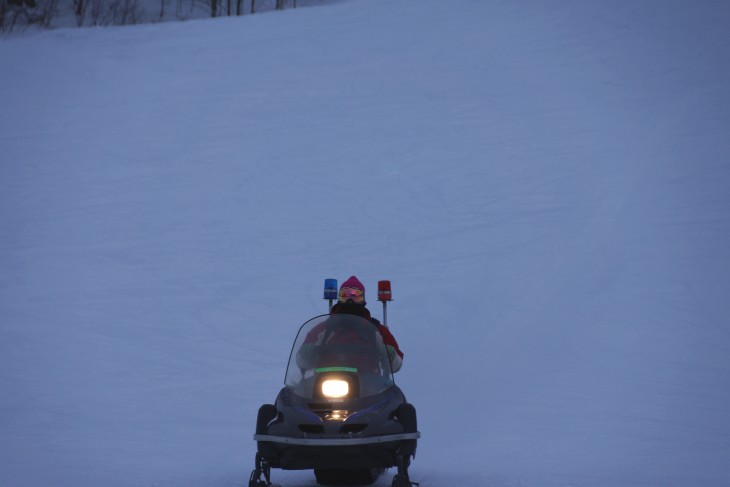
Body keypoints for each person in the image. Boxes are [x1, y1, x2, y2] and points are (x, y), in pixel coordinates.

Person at [299, 276, 404, 373]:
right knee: (291, 391)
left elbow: (395, 366)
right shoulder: (324, 329)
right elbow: (302, 363)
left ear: (363, 299)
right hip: (325, 380)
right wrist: (305, 353)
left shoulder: (375, 330)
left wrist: (390, 355)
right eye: (344, 295)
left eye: (355, 296)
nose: (349, 300)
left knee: (392, 392)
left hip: (369, 385)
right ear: (339, 298)